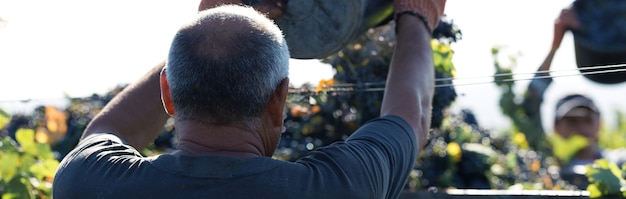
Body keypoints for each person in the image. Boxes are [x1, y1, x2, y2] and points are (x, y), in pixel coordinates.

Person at [52, 1, 446, 198]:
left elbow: (105, 130)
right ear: (279, 100)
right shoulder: (338, 185)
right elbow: (411, 115)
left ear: (168, 93)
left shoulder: (89, 182)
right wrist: (415, 15)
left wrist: (216, 20)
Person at [521, 4, 626, 187]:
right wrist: (555, 47)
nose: (580, 127)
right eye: (571, 121)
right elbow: (529, 106)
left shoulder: (618, 164)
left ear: (599, 123)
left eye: (587, 119)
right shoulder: (547, 167)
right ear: (555, 127)